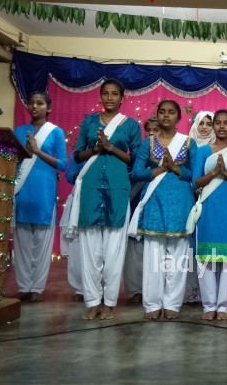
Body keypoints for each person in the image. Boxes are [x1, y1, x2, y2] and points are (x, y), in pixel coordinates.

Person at [72, 79, 142, 320]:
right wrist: (95, 149)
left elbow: (136, 159)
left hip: (118, 188)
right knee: (90, 250)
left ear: (122, 98)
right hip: (91, 187)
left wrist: (109, 147)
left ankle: (109, 302)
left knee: (114, 250)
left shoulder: (131, 125)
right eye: (105, 94)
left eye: (114, 94)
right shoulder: (89, 122)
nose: (109, 98)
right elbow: (77, 155)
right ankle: (92, 301)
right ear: (100, 97)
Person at [129, 100, 197, 320]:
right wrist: (159, 169)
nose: (166, 116)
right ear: (156, 115)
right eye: (162, 112)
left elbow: (195, 177)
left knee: (177, 258)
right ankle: (152, 304)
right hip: (154, 202)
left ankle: (172, 304)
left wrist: (176, 169)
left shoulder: (188, 143)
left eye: (171, 113)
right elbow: (136, 173)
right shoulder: (147, 144)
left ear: (179, 118)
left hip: (180, 203)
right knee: (153, 258)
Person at [189, 109, 227, 321]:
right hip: (209, 207)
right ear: (213, 127)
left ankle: (222, 305)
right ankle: (209, 305)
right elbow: (196, 182)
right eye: (218, 123)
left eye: (226, 123)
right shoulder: (203, 151)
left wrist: (225, 173)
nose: (221, 127)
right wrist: (214, 173)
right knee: (206, 259)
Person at [12, 91, 67, 302]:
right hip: (22, 191)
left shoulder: (55, 132)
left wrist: (36, 150)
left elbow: (62, 164)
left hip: (44, 192)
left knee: (41, 244)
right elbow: (13, 160)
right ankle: (23, 286)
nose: (34, 106)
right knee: (23, 243)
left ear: (48, 108)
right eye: (31, 102)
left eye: (40, 103)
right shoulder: (18, 131)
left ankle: (37, 288)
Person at [123, 117, 160, 304]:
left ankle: (153, 291)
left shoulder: (168, 156)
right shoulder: (135, 156)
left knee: (154, 251)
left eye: (156, 130)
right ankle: (135, 290)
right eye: (149, 130)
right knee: (133, 251)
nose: (152, 133)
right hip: (135, 206)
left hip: (157, 208)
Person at [184, 110, 215, 305]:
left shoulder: (218, 147)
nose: (204, 127)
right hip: (188, 197)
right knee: (189, 246)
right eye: (201, 123)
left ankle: (207, 293)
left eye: (208, 124)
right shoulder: (186, 145)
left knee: (205, 244)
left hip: (210, 199)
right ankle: (189, 291)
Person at [61, 154, 85, 302]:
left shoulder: (112, 147)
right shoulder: (80, 152)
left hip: (102, 198)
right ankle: (79, 288)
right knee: (76, 245)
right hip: (79, 200)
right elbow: (69, 175)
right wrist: (83, 173)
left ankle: (99, 288)